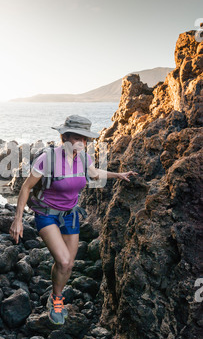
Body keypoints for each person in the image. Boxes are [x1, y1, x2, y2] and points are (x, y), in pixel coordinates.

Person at [9, 115, 138, 325]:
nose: (81, 142)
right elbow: (26, 187)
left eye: (85, 138)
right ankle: (57, 301)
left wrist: (119, 174)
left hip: (70, 215)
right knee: (64, 261)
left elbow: (95, 174)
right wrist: (18, 220)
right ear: (64, 137)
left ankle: (54, 296)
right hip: (47, 214)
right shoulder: (47, 159)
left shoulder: (84, 158)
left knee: (68, 266)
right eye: (77, 137)